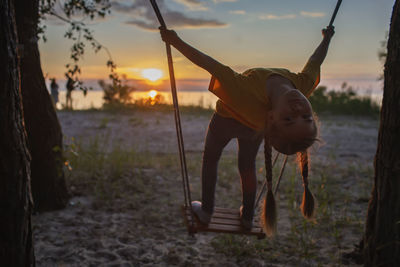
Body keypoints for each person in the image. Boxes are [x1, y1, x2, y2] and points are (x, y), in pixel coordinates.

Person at [159, 26, 334, 231]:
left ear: (270, 118)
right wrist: (326, 39)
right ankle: (248, 216)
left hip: (225, 121)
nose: (298, 109)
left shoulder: (241, 89)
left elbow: (208, 63)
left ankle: (206, 211)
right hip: (252, 130)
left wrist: (176, 41)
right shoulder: (302, 85)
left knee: (211, 158)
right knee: (247, 165)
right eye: (306, 117)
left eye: (288, 119)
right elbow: (315, 61)